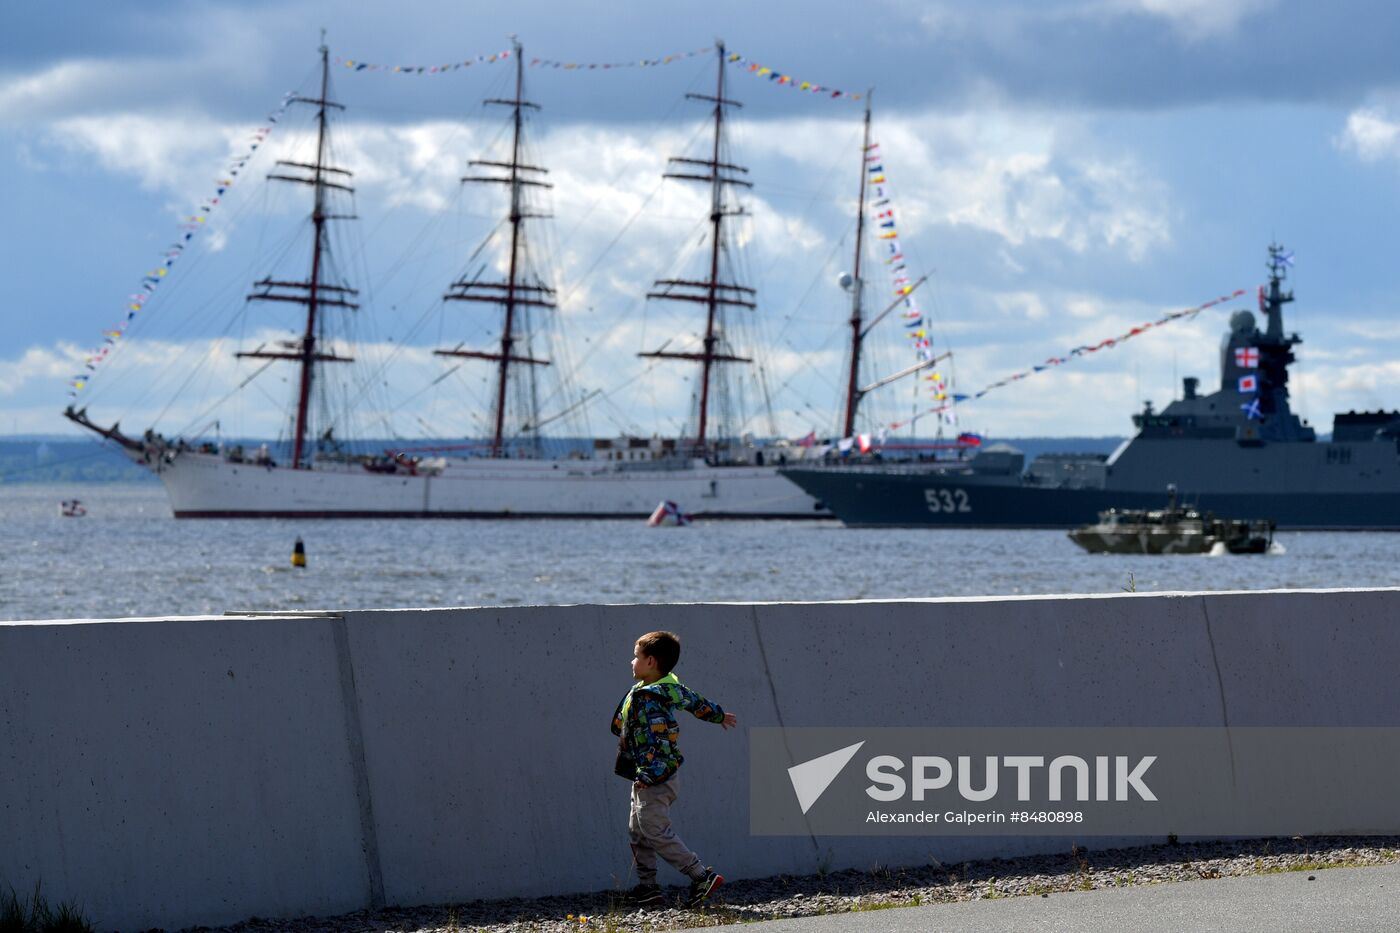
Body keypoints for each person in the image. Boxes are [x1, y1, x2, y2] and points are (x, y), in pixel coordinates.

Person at [611, 630, 737, 909]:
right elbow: (695, 701)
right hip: (645, 772)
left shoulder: (654, 698)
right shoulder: (654, 690)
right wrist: (718, 716)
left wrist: (648, 773)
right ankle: (648, 888)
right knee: (638, 830)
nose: (631, 662)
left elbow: (660, 741)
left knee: (654, 829)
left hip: (656, 775)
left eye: (636, 657)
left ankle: (700, 875)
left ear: (651, 662)